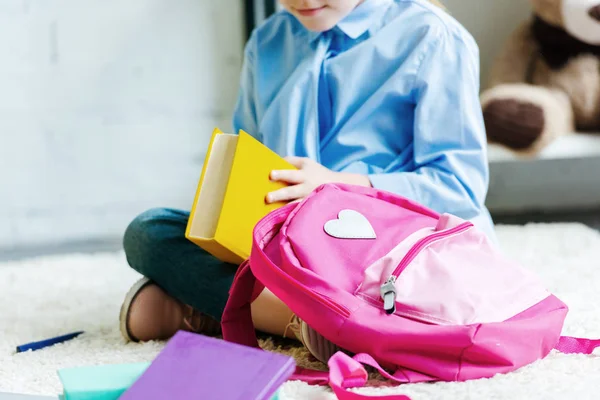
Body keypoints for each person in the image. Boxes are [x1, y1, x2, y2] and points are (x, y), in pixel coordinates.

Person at [118, 0, 497, 363]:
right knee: (148, 232)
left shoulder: (432, 36)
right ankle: (305, 321)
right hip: (293, 245)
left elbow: (458, 186)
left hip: (388, 248)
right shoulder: (267, 41)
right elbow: (246, 163)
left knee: (447, 290)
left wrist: (337, 186)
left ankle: (226, 308)